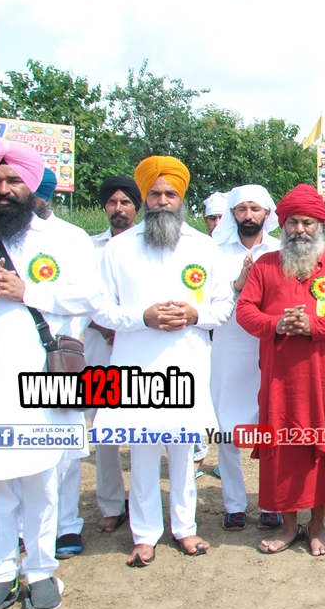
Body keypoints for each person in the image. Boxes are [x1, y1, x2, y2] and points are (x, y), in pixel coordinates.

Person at [97, 156, 230, 567]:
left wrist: (194, 314)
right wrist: (142, 318)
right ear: (144, 197)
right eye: (154, 193)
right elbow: (100, 308)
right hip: (136, 365)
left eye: (170, 193)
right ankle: (144, 534)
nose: (162, 200)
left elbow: (224, 305)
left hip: (186, 362)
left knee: (183, 452)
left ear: (181, 197)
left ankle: (185, 528)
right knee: (142, 452)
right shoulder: (119, 248)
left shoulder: (204, 247)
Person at [0, 139, 101, 609]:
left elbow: (89, 298)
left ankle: (40, 571)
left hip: (42, 378)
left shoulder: (67, 239)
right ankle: (1, 571)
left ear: (33, 184)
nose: (4, 189)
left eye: (13, 180)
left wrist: (28, 291)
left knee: (41, 479)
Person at [235, 185, 325, 556]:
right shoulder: (265, 265)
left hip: (323, 379)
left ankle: (318, 524)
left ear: (319, 225)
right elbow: (245, 311)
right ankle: (289, 525)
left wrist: (314, 327)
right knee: (282, 448)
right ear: (283, 225)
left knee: (321, 447)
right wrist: (276, 324)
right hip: (279, 380)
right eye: (293, 222)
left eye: (308, 222)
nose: (300, 230)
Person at [210, 184, 281, 532]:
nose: (248, 215)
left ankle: (271, 502)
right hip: (229, 344)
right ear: (232, 214)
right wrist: (240, 282)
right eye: (241, 209)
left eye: (255, 209)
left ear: (267, 213)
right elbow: (207, 296)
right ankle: (234, 504)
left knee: (270, 420)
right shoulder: (214, 250)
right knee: (226, 424)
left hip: (270, 343)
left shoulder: (280, 249)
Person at [85, 176, 140, 535]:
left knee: (141, 428)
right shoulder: (89, 248)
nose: (118, 208)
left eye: (125, 202)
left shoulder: (147, 245)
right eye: (112, 202)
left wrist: (126, 326)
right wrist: (105, 326)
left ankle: (143, 504)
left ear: (136, 207)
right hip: (99, 347)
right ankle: (110, 504)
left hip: (138, 346)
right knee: (102, 428)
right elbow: (81, 296)